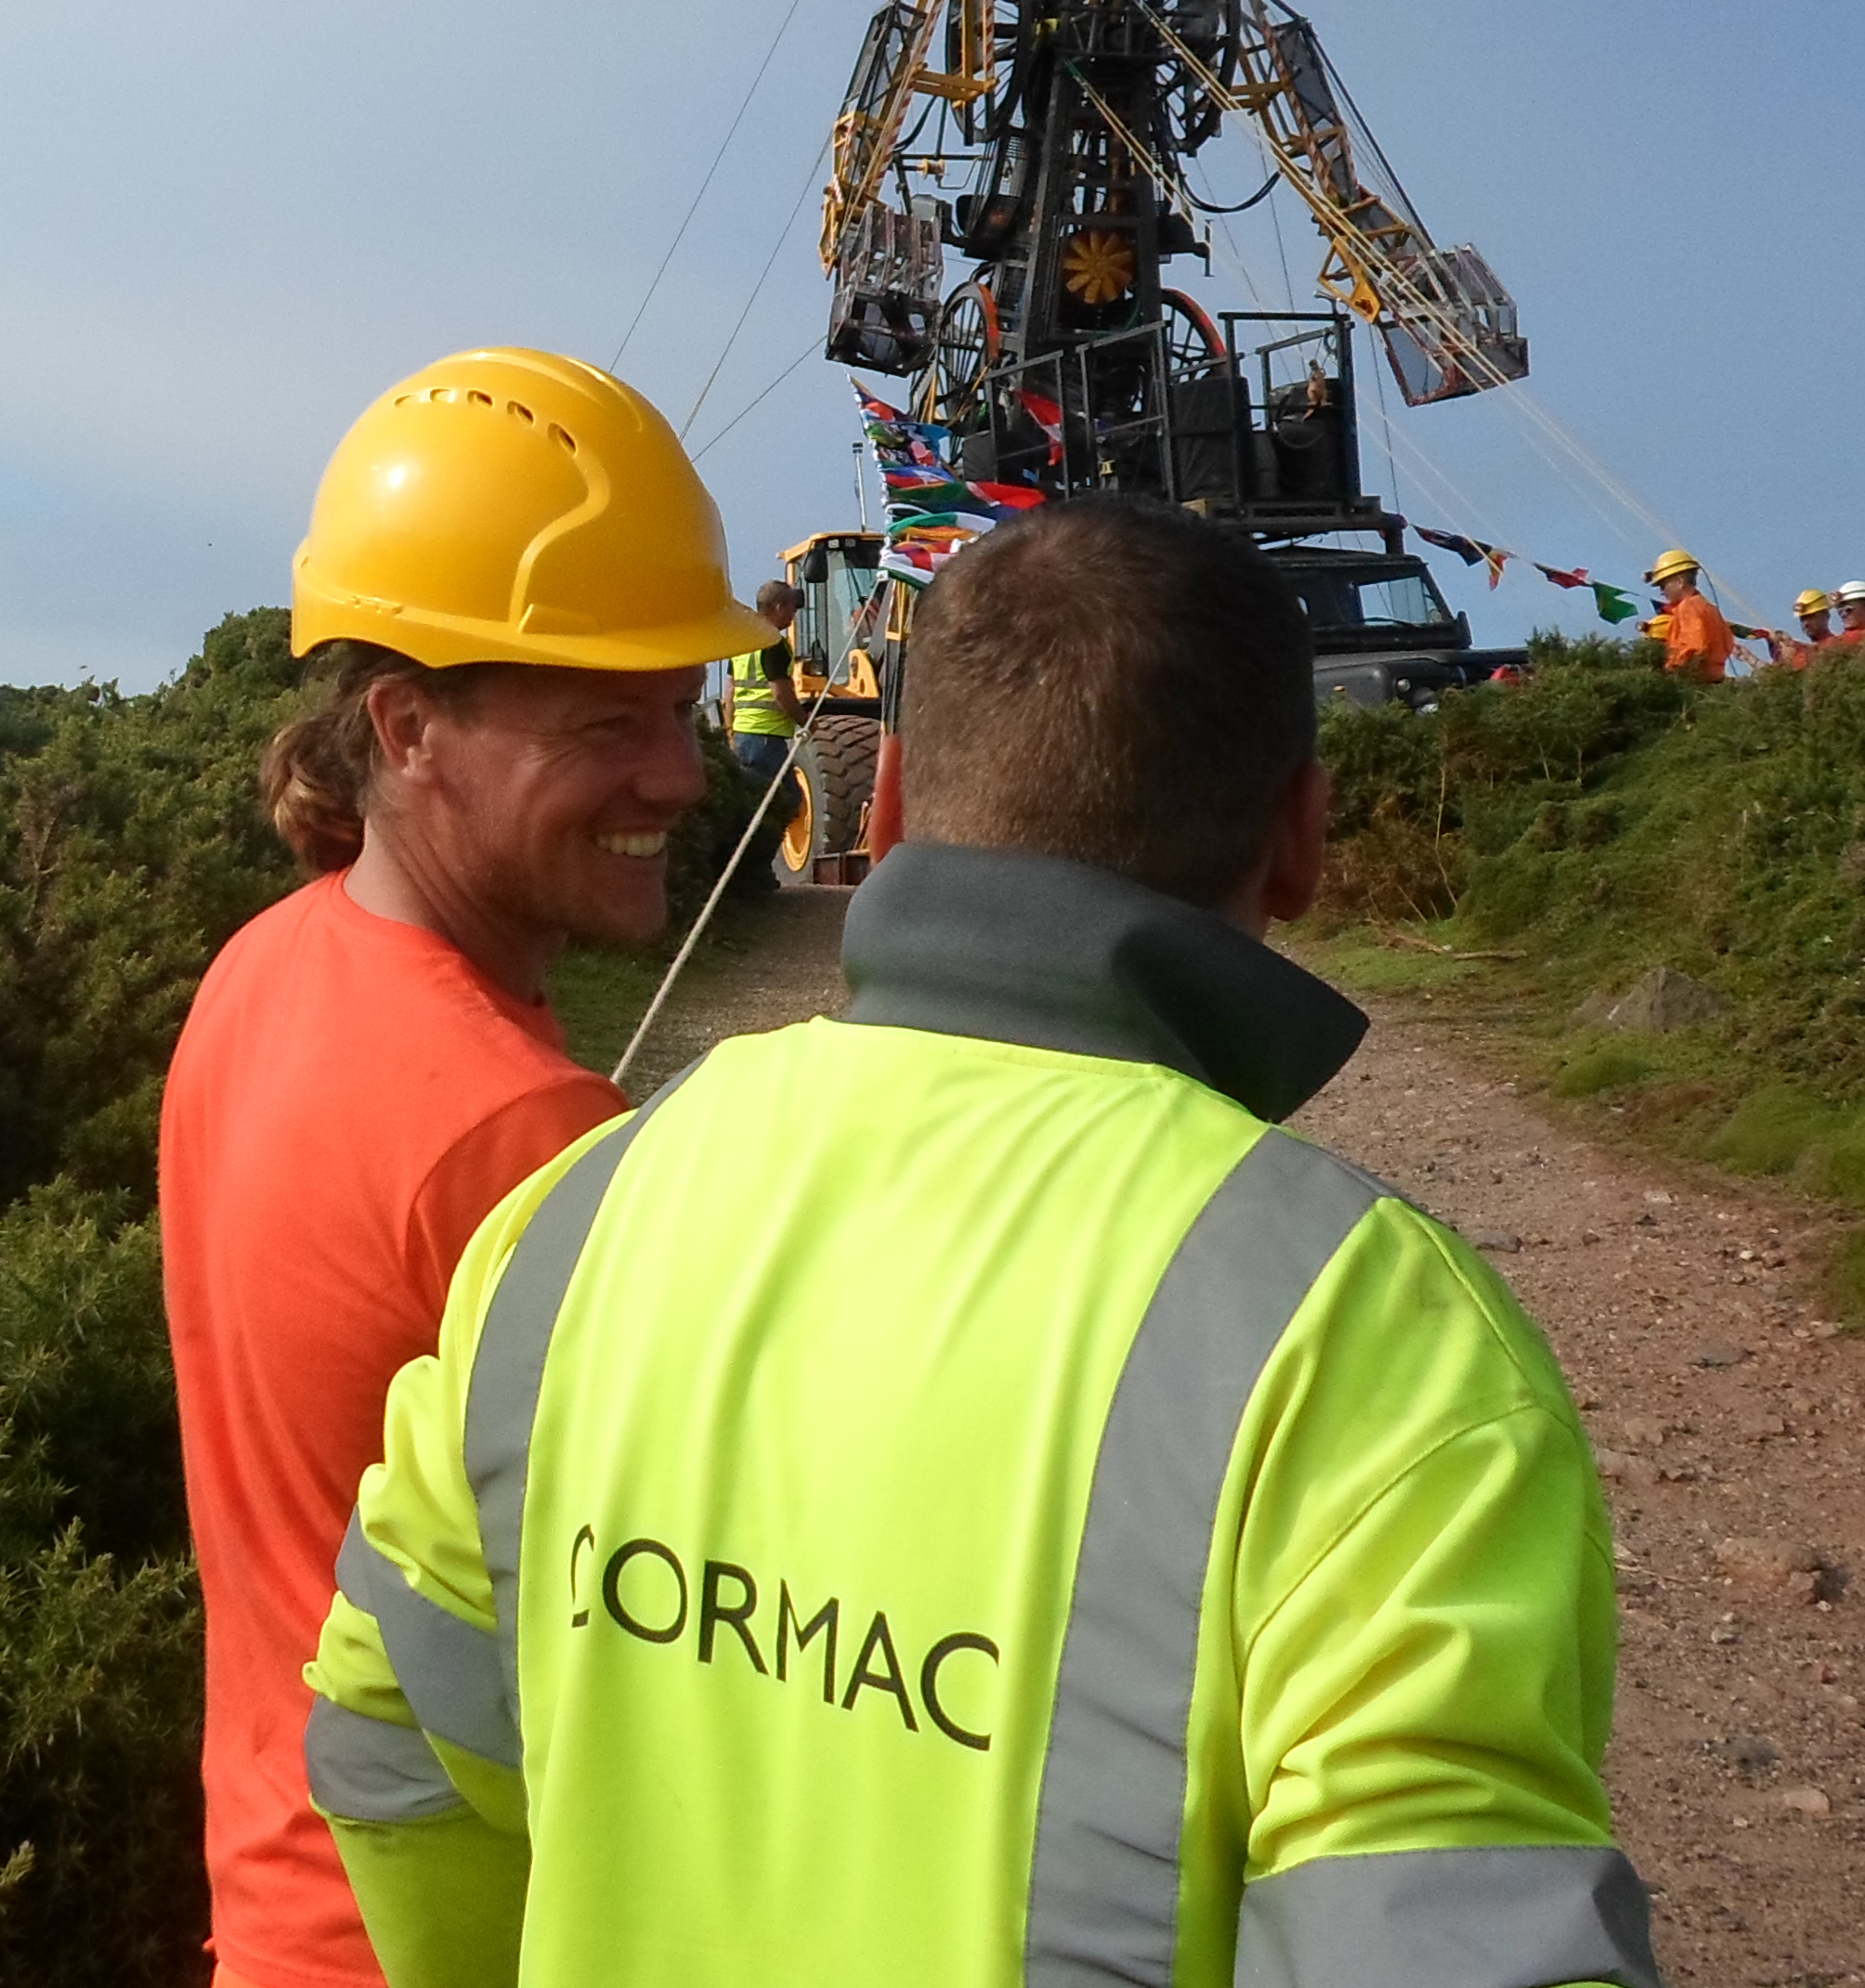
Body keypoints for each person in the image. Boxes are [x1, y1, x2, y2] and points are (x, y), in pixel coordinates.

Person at [304, 497, 1656, 1988]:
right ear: (1303, 839)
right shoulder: (1380, 1342)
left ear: (879, 810)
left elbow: (384, 1730)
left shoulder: (578, 1205)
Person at [160, 347, 773, 1988]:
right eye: (604, 719)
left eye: (678, 704)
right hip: (440, 1932)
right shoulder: (524, 1137)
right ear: (407, 725)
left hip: (280, 1896)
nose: (675, 769)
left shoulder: (261, 967)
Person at [721, 578, 805, 882]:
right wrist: (806, 721)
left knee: (753, 803)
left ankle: (747, 871)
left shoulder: (743, 641)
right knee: (784, 802)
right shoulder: (773, 643)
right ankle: (756, 872)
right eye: (792, 608)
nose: (794, 615)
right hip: (767, 738)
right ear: (779, 607)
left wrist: (731, 730)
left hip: (745, 735)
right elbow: (781, 693)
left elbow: (728, 693)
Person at [1645, 546, 1736, 681]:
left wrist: (1670, 671)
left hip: (1695, 681)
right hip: (1715, 678)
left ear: (1680, 582)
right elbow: (1727, 643)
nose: (1661, 592)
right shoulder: (1709, 608)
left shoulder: (1688, 608)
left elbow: (1693, 648)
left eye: (1663, 585)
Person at [1773, 588, 1835, 668]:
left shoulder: (1837, 645)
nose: (1806, 623)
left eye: (1811, 617)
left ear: (1826, 615)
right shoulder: (1804, 650)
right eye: (1802, 619)